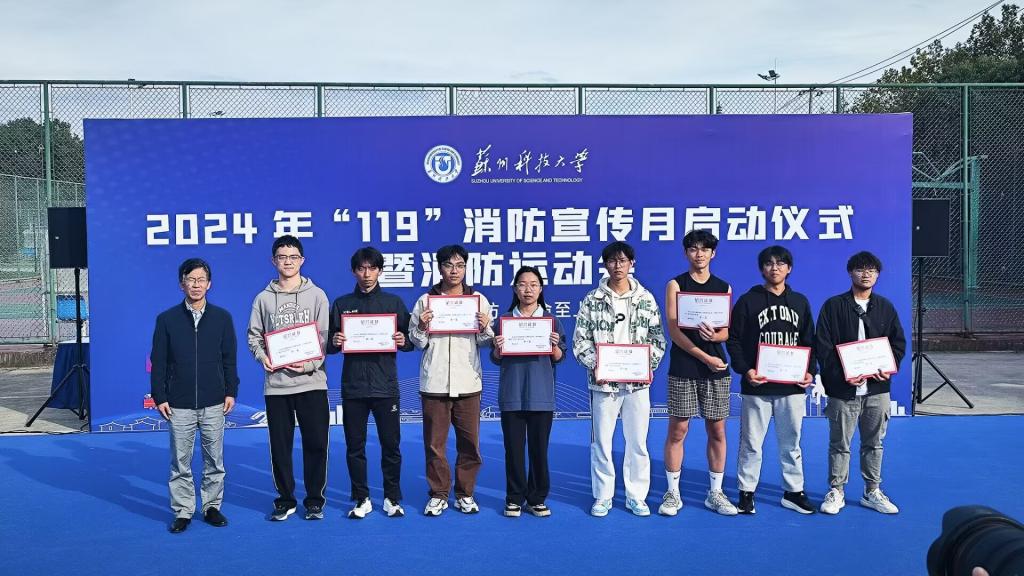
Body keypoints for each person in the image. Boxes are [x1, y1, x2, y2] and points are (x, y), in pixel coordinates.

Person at [573, 241, 666, 517]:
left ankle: (636, 496)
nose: (617, 266)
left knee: (637, 442)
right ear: (605, 264)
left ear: (631, 264)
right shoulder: (592, 299)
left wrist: (647, 366)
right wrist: (596, 366)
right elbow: (581, 340)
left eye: (623, 261)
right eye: (612, 261)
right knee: (602, 442)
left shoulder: (645, 298)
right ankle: (603, 496)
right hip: (604, 384)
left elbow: (657, 338)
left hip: (637, 384)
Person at [814, 251, 907, 515]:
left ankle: (872, 491)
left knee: (874, 443)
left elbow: (897, 344)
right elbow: (823, 347)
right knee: (839, 443)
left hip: (877, 390)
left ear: (877, 275)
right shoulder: (833, 306)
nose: (866, 274)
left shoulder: (885, 307)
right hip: (843, 389)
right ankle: (836, 490)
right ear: (850, 272)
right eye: (860, 269)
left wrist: (887, 368)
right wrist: (842, 374)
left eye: (871, 270)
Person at [150, 258, 239, 534]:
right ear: (182, 284)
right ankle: (183, 510)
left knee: (215, 460)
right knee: (180, 462)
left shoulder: (222, 318)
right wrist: (160, 396)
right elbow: (158, 362)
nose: (196, 285)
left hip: (214, 400)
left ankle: (211, 507)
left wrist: (231, 391)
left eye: (201, 280)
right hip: (179, 403)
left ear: (209, 284)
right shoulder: (167, 320)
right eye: (191, 280)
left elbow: (229, 359)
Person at [726, 245, 816, 515]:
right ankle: (746, 492)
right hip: (757, 385)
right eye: (769, 263)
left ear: (789, 268)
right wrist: (746, 370)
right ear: (761, 269)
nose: (774, 268)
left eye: (780, 263)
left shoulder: (800, 302)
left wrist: (810, 370)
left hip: (792, 387)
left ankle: (793, 492)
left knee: (792, 443)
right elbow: (733, 340)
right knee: (751, 443)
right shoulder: (748, 301)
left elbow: (809, 341)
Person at [246, 235, 331, 521]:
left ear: (302, 260)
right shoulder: (263, 298)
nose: (288, 262)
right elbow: (254, 337)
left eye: (293, 257)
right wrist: (263, 358)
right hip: (277, 386)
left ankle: (315, 500)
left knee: (316, 444)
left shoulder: (317, 295)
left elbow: (324, 338)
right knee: (280, 447)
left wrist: (308, 364)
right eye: (282, 257)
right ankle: (285, 499)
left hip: (312, 382)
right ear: (274, 261)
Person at [327, 247, 414, 519]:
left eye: (372, 268)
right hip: (353, 388)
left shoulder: (393, 303)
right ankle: (361, 498)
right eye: (362, 268)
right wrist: (335, 341)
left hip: (386, 387)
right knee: (355, 446)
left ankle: (392, 497)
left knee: (391, 446)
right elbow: (328, 345)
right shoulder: (341, 304)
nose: (367, 274)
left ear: (380, 271)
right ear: (354, 271)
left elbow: (411, 340)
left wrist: (403, 340)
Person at [408, 244, 495, 516]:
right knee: (435, 445)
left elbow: (485, 341)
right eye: (448, 265)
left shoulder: (478, 300)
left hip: (468, 382)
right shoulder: (425, 301)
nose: (454, 271)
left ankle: (465, 494)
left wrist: (485, 328)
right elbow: (416, 341)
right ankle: (439, 494)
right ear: (439, 268)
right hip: (435, 383)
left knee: (470, 444)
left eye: (459, 265)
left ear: (466, 268)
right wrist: (422, 327)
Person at [659, 229, 737, 516]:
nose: (699, 254)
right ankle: (672, 493)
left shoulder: (723, 287)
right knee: (678, 429)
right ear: (686, 253)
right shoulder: (675, 285)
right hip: (685, 366)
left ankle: (715, 493)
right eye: (693, 249)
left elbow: (726, 331)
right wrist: (704, 356)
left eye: (705, 249)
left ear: (713, 253)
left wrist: (715, 337)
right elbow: (674, 330)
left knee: (717, 430)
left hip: (717, 368)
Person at [491, 266, 567, 518]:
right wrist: (498, 348)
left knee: (538, 450)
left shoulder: (551, 321)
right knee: (513, 450)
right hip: (512, 395)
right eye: (522, 284)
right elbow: (495, 357)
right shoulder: (503, 321)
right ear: (515, 289)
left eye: (534, 284)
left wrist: (553, 346)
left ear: (541, 289)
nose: (528, 289)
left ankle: (536, 498)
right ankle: (514, 498)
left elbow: (560, 356)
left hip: (541, 396)